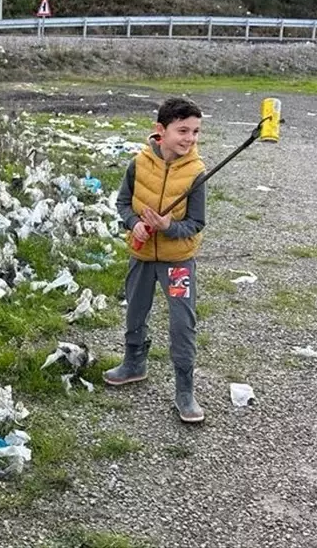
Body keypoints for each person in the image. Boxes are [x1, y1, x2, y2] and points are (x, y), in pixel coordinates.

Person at [106, 97, 207, 423]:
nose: (190, 139)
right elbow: (123, 203)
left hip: (178, 260)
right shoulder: (138, 164)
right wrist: (134, 223)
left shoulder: (196, 173)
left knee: (182, 322)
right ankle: (134, 363)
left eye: (195, 131)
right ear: (160, 131)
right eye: (183, 130)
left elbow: (196, 223)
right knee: (135, 310)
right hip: (141, 254)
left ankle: (184, 389)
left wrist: (169, 227)